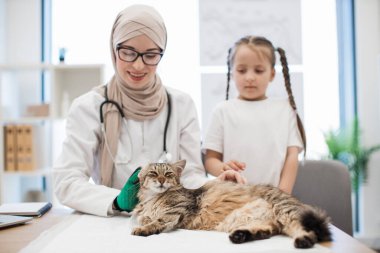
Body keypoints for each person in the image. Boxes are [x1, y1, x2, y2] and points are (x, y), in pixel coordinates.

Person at [53, 4, 244, 217]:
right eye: (128, 52)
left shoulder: (181, 105)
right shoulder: (88, 107)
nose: (138, 66)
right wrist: (116, 201)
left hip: (168, 221)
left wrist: (216, 185)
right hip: (112, 222)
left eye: (150, 55)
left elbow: (190, 175)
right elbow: (66, 182)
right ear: (113, 49)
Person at [203, 36, 306, 194]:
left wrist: (282, 197)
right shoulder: (222, 111)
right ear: (232, 73)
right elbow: (210, 160)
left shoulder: (285, 110)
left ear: (272, 74)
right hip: (233, 199)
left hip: (275, 200)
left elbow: (292, 156)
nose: (250, 77)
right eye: (242, 70)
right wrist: (223, 168)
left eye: (258, 70)